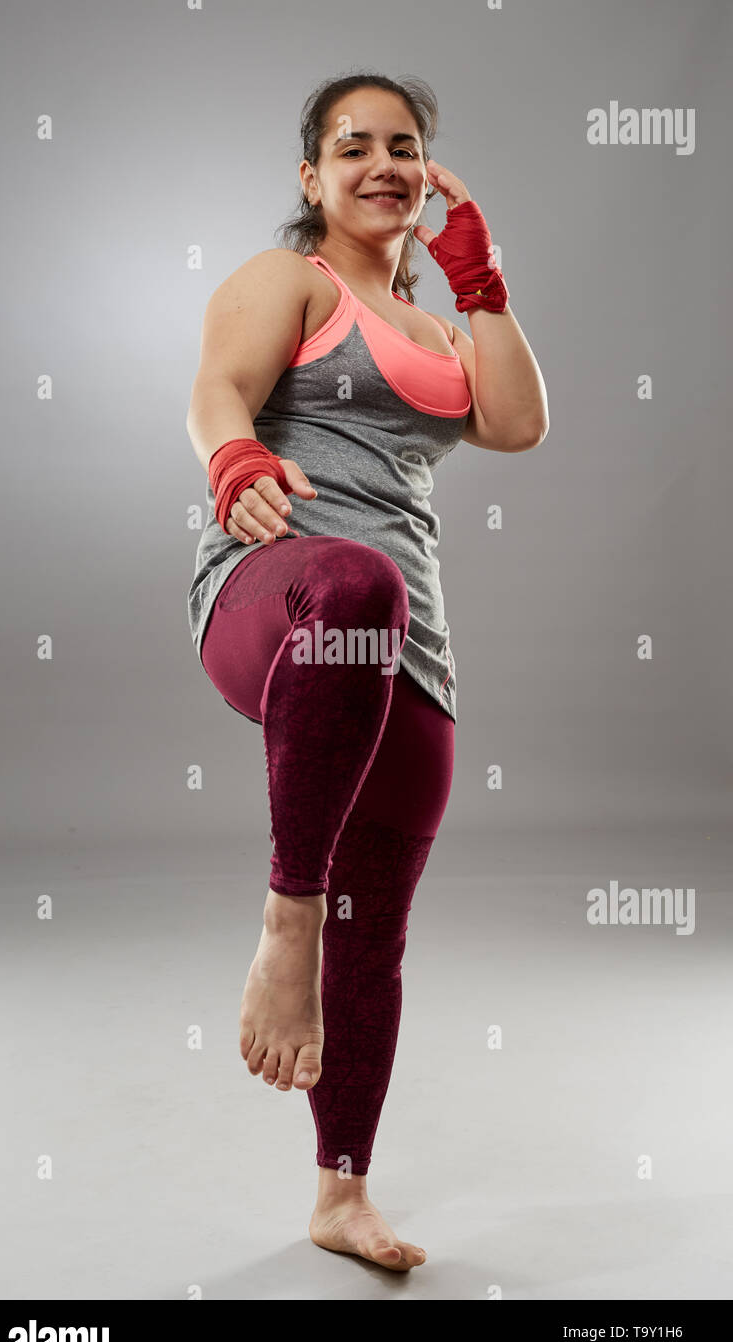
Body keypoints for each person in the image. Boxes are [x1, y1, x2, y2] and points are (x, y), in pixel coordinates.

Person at [186, 71, 548, 1272]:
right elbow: (216, 388)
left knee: (377, 923)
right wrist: (235, 453)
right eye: (355, 147)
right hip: (277, 583)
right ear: (312, 177)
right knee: (353, 584)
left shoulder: (446, 328)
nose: (383, 164)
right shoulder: (288, 279)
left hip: (408, 641)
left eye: (406, 146)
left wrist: (482, 282)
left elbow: (514, 423)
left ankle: (341, 1193)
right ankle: (285, 924)